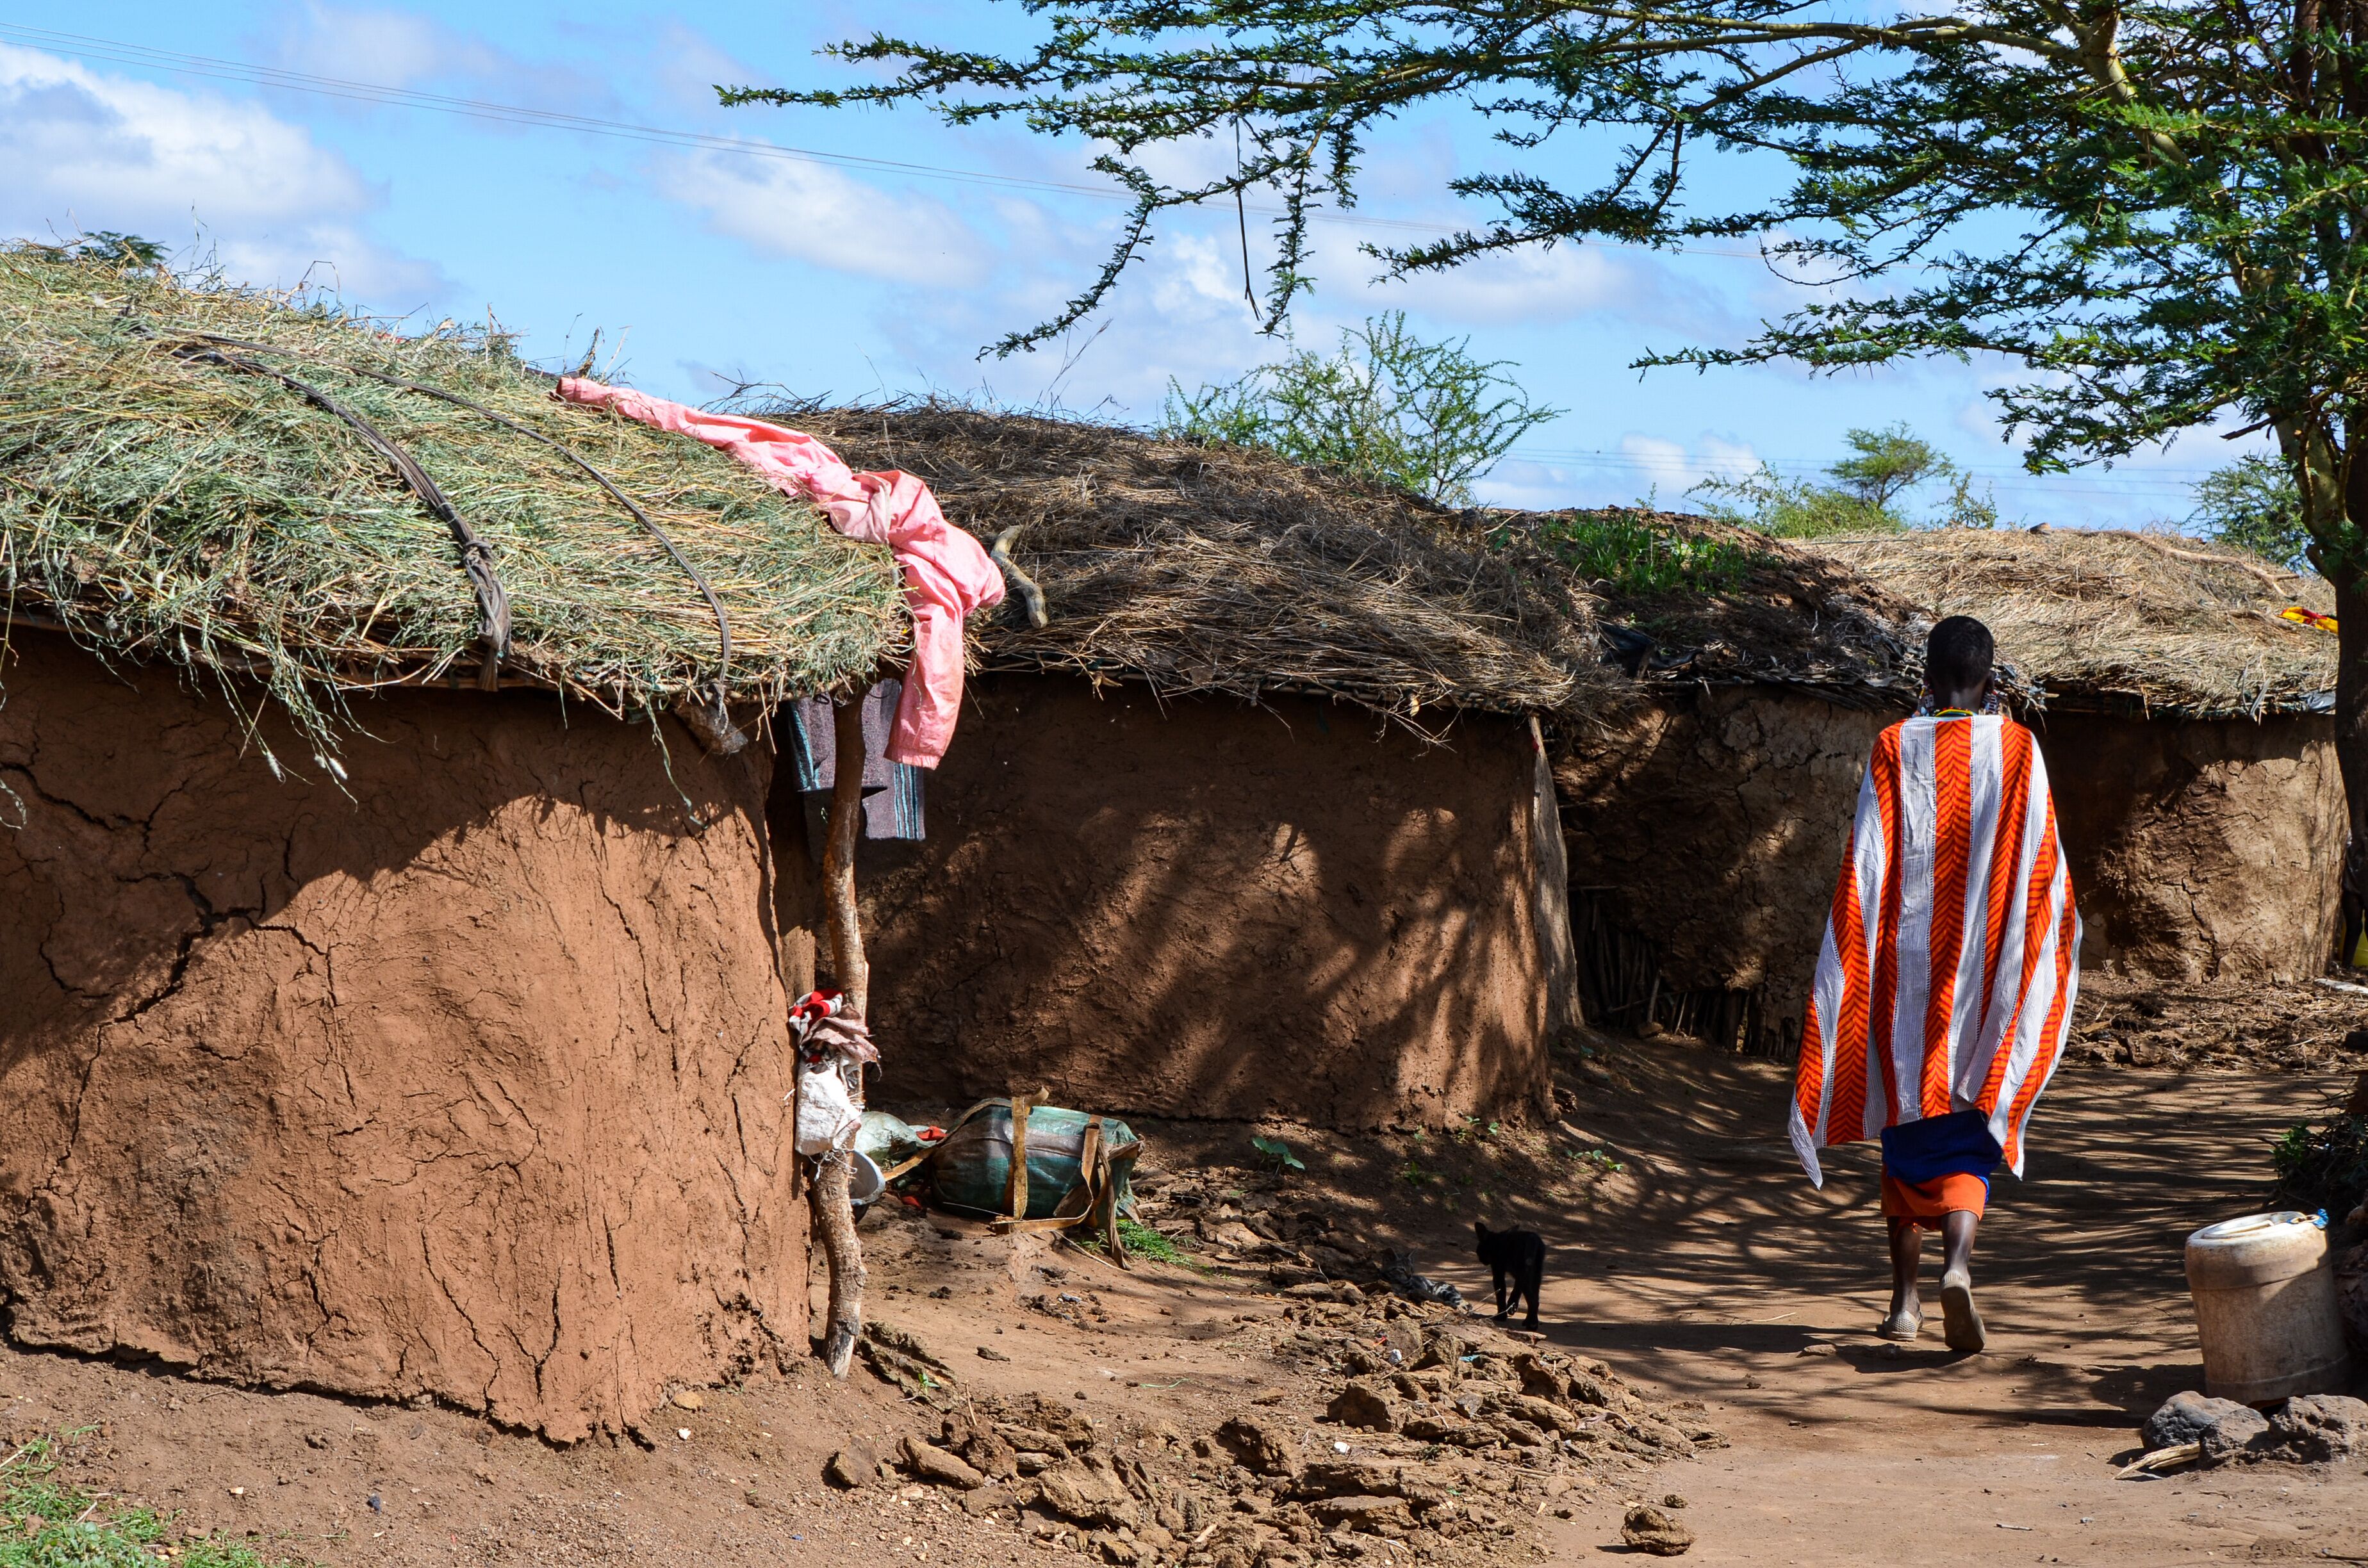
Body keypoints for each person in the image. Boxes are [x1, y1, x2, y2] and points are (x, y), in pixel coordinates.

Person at [1786, 616, 2081, 1352]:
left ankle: (1905, 1305)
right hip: (1986, 982)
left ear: (1923, 677)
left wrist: (1855, 961)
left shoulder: (1893, 745)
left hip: (1905, 980)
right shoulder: (2016, 748)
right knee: (1968, 1133)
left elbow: (1869, 858)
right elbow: (2042, 866)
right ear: (1991, 680)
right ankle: (1958, 1268)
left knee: (1906, 1136)